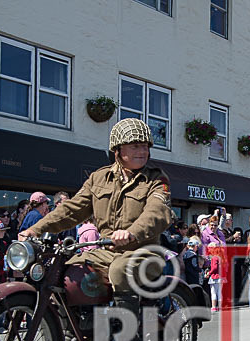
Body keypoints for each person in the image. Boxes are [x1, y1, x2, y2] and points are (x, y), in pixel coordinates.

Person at [19, 118, 173, 306]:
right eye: (135, 146)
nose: (142, 152)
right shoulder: (99, 178)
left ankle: (127, 333)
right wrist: (35, 229)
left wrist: (132, 232)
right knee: (65, 269)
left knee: (120, 269)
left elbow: (157, 212)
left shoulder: (157, 179)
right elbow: (71, 209)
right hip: (107, 252)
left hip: (145, 252)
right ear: (117, 149)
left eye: (145, 147)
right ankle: (71, 329)